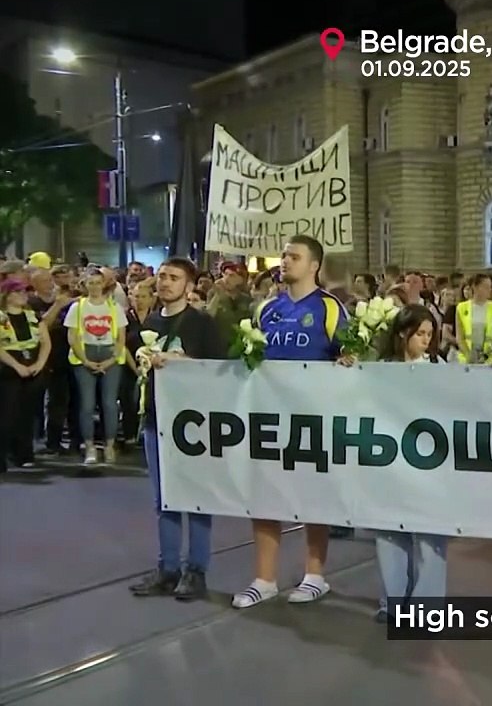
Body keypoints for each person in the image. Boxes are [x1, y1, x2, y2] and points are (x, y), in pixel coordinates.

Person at [232, 235, 349, 610]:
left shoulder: (330, 309)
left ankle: (314, 576)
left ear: (314, 265)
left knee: (313, 495)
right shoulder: (266, 309)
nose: (285, 261)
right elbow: (249, 360)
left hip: (313, 418)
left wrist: (348, 361)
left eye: (294, 256)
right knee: (265, 495)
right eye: (284, 255)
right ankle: (264, 579)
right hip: (269, 416)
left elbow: (351, 357)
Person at [128, 258, 227, 601]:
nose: (165, 283)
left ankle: (196, 570)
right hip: (156, 419)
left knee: (197, 497)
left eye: (174, 278)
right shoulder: (151, 322)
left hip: (194, 425)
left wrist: (182, 362)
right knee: (165, 499)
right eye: (162, 277)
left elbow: (220, 368)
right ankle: (168, 568)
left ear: (190, 285)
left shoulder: (202, 323)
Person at [370, 304, 448, 623]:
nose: (426, 341)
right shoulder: (381, 368)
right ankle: (392, 602)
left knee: (429, 534)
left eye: (430, 335)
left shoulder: (440, 367)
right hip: (390, 460)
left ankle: (426, 607)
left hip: (428, 462)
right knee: (389, 532)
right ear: (403, 334)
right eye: (420, 334)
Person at [64, 269, 128, 468]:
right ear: (85, 285)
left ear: (103, 284)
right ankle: (90, 446)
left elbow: (121, 337)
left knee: (109, 403)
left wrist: (111, 360)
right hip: (85, 355)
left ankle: (109, 444)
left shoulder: (114, 306)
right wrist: (86, 361)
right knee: (87, 404)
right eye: (90, 282)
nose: (94, 286)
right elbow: (72, 337)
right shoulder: (78, 307)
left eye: (97, 282)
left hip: (110, 355)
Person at [0, 279, 51, 471]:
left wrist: (39, 363)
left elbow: (45, 342)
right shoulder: (1, 317)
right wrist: (16, 366)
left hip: (33, 367)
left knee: (27, 414)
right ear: (7, 295)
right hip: (8, 369)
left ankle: (24, 454)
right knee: (7, 414)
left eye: (24, 292)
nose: (23, 295)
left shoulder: (34, 316)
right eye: (18, 292)